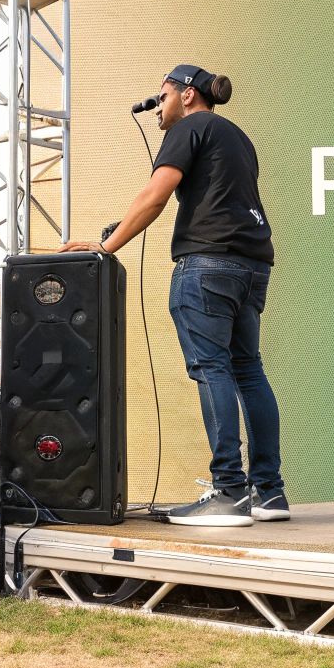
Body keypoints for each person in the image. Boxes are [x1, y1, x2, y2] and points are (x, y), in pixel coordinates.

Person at [58, 64, 288, 528]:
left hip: (207, 265)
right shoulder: (237, 137)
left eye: (161, 96)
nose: (156, 107)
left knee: (213, 369)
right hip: (252, 265)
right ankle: (270, 492)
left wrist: (106, 245)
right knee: (249, 370)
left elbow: (155, 195)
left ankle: (228, 492)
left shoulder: (191, 127)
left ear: (187, 95)